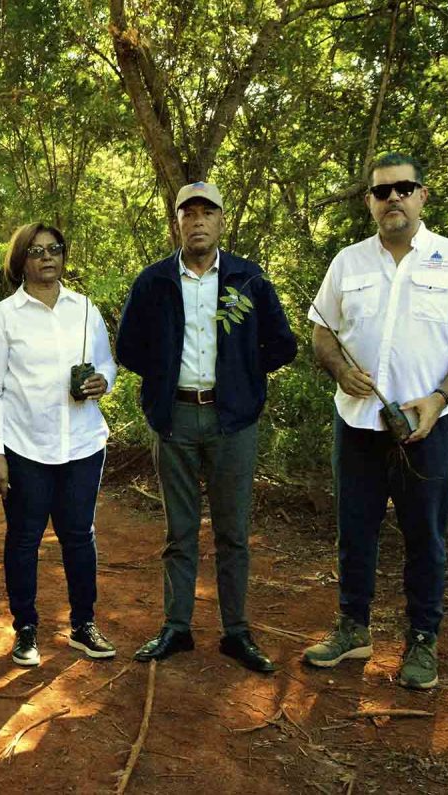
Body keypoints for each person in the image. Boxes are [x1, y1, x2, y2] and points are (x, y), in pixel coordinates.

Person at [302, 153, 448, 689]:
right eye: (381, 191)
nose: (393, 198)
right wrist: (340, 370)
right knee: (355, 532)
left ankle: (421, 640)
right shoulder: (349, 262)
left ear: (421, 196)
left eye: (403, 188)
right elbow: (322, 329)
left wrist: (439, 397)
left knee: (426, 537)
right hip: (358, 425)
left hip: (428, 429)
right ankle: (353, 628)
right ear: (369, 201)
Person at [116, 181, 297, 672]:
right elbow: (128, 348)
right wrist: (162, 378)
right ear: (176, 222)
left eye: (207, 213)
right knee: (179, 531)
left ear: (221, 221)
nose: (197, 221)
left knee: (233, 532)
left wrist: (242, 376)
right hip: (174, 419)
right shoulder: (154, 282)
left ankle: (236, 632)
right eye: (188, 213)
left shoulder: (248, 280)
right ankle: (177, 628)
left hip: (231, 421)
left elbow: (282, 345)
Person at [0, 223, 118, 666]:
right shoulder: (3, 318)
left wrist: (101, 382)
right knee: (24, 539)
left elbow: (108, 363)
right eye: (35, 251)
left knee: (79, 536)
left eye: (54, 249)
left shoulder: (85, 309)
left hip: (82, 444)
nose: (46, 257)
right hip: (24, 448)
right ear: (21, 261)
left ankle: (83, 625)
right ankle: (27, 629)